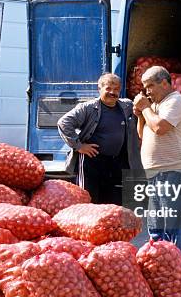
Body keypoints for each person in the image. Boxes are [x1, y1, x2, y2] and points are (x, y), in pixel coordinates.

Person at [133, 66, 181, 258]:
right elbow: (142, 134)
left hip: (176, 171)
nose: (147, 91)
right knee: (156, 220)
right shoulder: (154, 105)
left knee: (174, 222)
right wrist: (140, 116)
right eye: (145, 87)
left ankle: (179, 263)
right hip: (157, 173)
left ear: (164, 83)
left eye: (150, 86)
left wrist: (144, 108)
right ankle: (162, 263)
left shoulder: (175, 101)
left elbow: (160, 128)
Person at [57, 73, 143, 205]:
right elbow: (64, 123)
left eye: (116, 89)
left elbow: (141, 113)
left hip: (116, 163)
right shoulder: (88, 108)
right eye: (108, 88)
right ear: (100, 88)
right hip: (92, 162)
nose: (112, 92)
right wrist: (79, 146)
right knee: (89, 200)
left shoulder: (126, 107)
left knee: (113, 202)